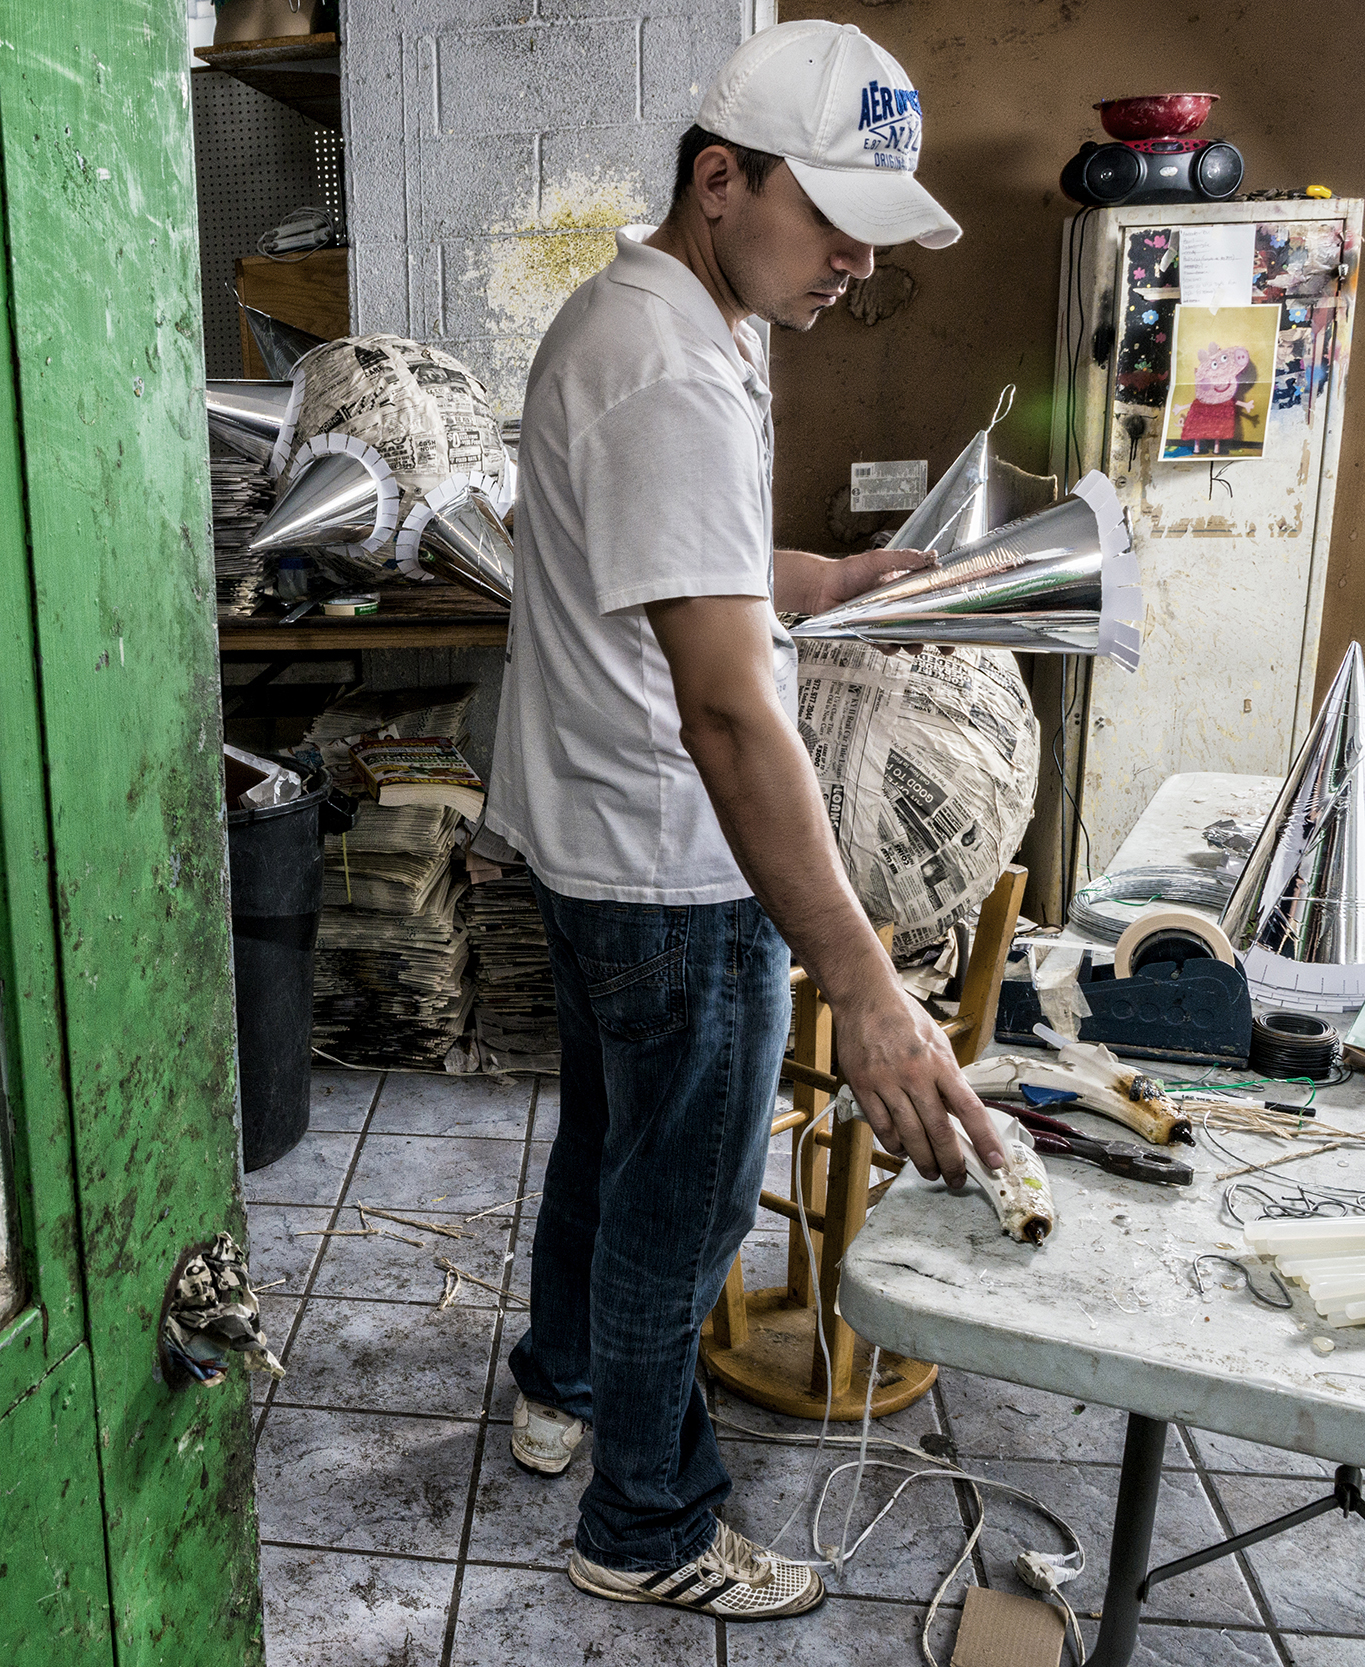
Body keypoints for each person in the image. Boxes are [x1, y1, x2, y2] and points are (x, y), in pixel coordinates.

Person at [480, 20, 1009, 1620]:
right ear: (721, 179)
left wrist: (831, 584)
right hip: (672, 865)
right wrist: (868, 986)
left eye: (872, 231)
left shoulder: (660, 312)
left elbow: (679, 569)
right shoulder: (669, 368)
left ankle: (563, 1387)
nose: (854, 262)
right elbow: (723, 710)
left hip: (591, 835)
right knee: (688, 1200)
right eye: (832, 220)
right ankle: (646, 1527)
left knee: (618, 1147)